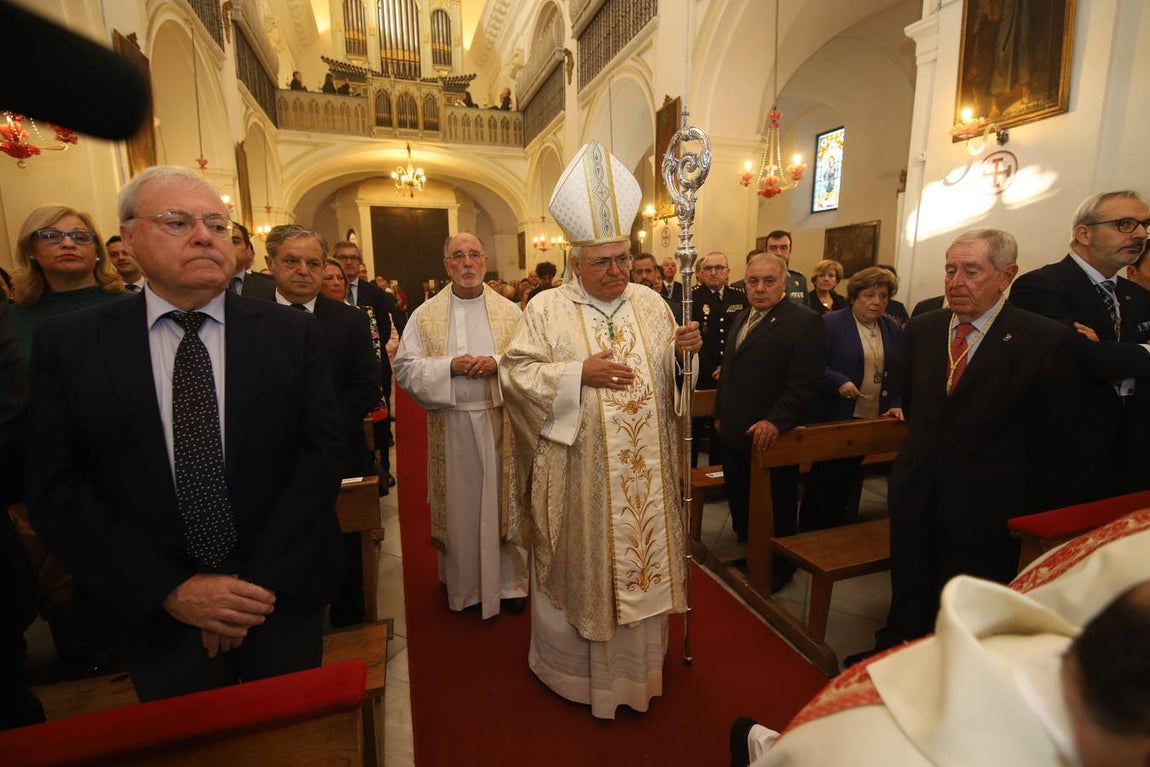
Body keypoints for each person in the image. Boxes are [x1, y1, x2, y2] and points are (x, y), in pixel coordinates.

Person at [25, 166, 346, 701]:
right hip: (154, 610)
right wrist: (169, 589)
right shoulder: (72, 344)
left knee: (293, 739)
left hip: (278, 593)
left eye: (217, 226)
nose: (203, 236)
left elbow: (319, 458)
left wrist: (254, 587)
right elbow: (59, 487)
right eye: (177, 222)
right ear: (127, 238)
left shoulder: (290, 333)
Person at [499, 140, 702, 719]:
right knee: (588, 570)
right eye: (601, 263)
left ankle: (639, 673)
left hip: (646, 481)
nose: (615, 272)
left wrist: (684, 357)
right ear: (576, 262)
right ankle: (576, 678)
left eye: (621, 258)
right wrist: (575, 373)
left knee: (643, 561)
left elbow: (672, 390)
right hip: (582, 476)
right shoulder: (546, 309)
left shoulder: (653, 304)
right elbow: (516, 376)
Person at [872, 228, 1080, 652]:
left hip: (989, 500)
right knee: (909, 581)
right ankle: (897, 649)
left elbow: (1054, 435)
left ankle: (957, 666)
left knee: (968, 601)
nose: (955, 281)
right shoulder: (923, 329)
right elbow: (916, 406)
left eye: (971, 271)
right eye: (950, 269)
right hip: (918, 487)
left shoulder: (1043, 339)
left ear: (1006, 276)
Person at [394, 232, 528, 619]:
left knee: (506, 505)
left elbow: (532, 362)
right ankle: (465, 586)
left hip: (502, 419)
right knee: (462, 508)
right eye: (458, 256)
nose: (467, 262)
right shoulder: (425, 314)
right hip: (451, 425)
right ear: (447, 265)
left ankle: (510, 584)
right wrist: (448, 366)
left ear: (484, 261)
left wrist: (496, 363)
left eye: (473, 255)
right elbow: (404, 367)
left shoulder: (511, 313)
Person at [262, 225, 378, 628]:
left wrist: (319, 429)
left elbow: (366, 387)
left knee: (345, 546)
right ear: (269, 264)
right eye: (291, 261)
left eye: (313, 263)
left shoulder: (349, 321)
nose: (303, 271)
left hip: (337, 452)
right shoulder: (246, 318)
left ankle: (351, 624)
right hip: (265, 457)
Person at [1009, 190, 1150, 497]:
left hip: (1134, 456)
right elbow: (1082, 358)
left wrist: (1108, 353)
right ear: (1083, 233)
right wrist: (1133, 355)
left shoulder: (1138, 295)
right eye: (1125, 224)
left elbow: (1099, 357)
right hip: (1068, 456)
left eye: (1144, 225)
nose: (1140, 234)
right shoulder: (1041, 286)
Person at [714, 253, 825, 580]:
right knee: (741, 498)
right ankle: (749, 550)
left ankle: (778, 568)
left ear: (785, 283)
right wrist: (720, 412)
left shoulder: (804, 321)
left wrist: (776, 421)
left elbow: (805, 383)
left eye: (768, 281)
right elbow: (730, 370)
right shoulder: (743, 317)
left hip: (771, 435)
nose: (759, 288)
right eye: (753, 281)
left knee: (775, 506)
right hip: (735, 431)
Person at [800, 266, 903, 533]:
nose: (877, 302)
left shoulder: (891, 328)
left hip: (872, 414)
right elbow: (811, 365)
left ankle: (842, 528)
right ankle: (813, 533)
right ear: (854, 297)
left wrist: (895, 403)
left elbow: (902, 372)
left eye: (882, 296)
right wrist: (838, 381)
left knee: (851, 475)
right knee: (826, 476)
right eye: (869, 295)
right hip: (836, 413)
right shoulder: (831, 323)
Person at [9, 205, 126, 365]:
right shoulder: (11, 319)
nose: (68, 243)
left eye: (81, 237)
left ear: (97, 251)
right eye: (51, 236)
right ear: (30, 250)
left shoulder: (132, 306)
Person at [333, 240, 397, 487]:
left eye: (353, 258)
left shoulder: (376, 294)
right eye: (343, 257)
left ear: (360, 263)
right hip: (340, 371)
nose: (348, 262)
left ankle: (383, 469)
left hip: (372, 367)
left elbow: (382, 328)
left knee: (379, 422)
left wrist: (370, 359)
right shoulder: (324, 291)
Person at [692, 250, 746, 467]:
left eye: (719, 268)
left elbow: (744, 334)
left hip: (731, 375)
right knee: (695, 430)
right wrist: (711, 367)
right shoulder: (693, 297)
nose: (714, 272)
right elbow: (693, 338)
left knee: (722, 429)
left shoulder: (739, 297)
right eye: (708, 268)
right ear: (701, 273)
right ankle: (691, 478)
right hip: (701, 374)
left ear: (728, 272)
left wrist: (727, 366)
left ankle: (718, 474)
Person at [227, 222, 274, 298]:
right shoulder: (202, 288)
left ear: (249, 250)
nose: (227, 247)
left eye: (234, 241)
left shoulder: (271, 287)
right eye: (223, 242)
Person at [764, 230, 808, 306]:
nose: (778, 253)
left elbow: (807, 313)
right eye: (773, 248)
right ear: (766, 251)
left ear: (790, 250)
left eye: (783, 248)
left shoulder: (799, 280)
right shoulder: (755, 281)